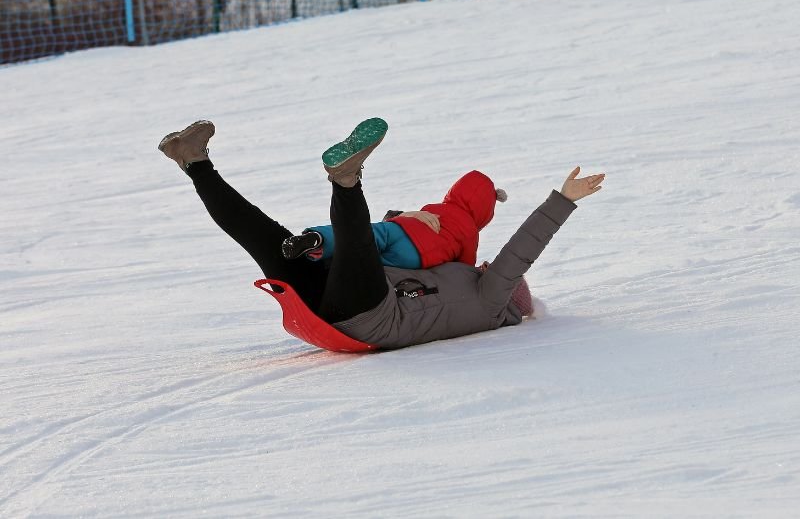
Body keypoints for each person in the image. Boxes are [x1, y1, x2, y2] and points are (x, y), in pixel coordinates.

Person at [158, 118, 604, 350]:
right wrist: (405, 216)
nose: (489, 265)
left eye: (497, 273)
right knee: (267, 237)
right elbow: (405, 247)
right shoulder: (459, 271)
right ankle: (194, 161)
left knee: (356, 243)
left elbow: (520, 252)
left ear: (512, 296)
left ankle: (345, 180)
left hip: (373, 316)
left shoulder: (492, 301)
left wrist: (563, 200)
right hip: (348, 299)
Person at [281, 168, 508, 270]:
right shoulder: (469, 231)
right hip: (415, 256)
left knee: (364, 234)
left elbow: (419, 220)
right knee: (374, 263)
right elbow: (464, 267)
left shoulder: (436, 207)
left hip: (398, 228)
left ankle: (319, 240)